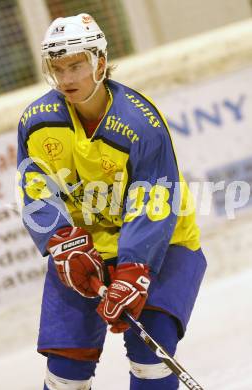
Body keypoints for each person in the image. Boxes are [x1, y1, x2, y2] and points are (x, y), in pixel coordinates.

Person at [17, 13, 207, 390]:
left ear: (100, 63)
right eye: (58, 68)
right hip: (84, 246)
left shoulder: (139, 123)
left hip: (163, 244)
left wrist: (134, 270)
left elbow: (154, 200)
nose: (66, 78)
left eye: (76, 66)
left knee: (149, 354)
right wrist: (62, 242)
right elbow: (36, 188)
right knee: (65, 371)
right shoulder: (37, 121)